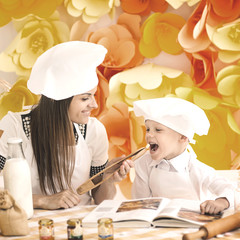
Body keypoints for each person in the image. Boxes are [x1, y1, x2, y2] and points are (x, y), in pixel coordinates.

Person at [0, 41, 133, 210]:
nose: (94, 105)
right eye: (85, 98)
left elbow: (100, 200)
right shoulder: (13, 126)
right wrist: (42, 200)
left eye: (93, 96)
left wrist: (108, 177)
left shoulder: (94, 131)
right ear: (58, 99)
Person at [131, 97, 235, 215]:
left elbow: (229, 189)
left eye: (158, 130)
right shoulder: (143, 164)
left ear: (183, 137)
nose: (149, 135)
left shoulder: (197, 169)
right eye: (147, 129)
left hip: (192, 225)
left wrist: (221, 201)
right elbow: (139, 203)